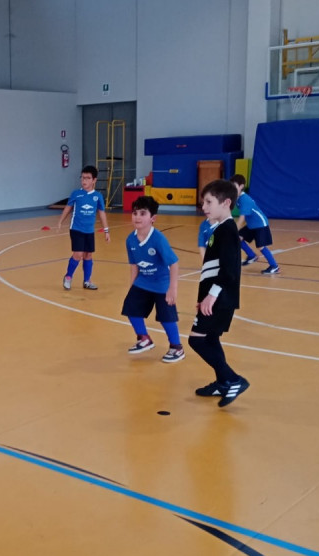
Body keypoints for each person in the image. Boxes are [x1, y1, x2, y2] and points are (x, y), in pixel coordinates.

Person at [189, 179, 249, 408]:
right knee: (211, 338)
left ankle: (233, 379)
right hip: (215, 297)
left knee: (196, 340)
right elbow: (210, 270)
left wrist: (212, 295)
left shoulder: (227, 230)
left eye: (208, 202)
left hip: (221, 299)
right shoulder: (218, 229)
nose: (203, 206)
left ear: (226, 203)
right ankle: (222, 382)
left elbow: (229, 270)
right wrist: (202, 297)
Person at [121, 195, 184, 362]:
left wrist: (172, 289)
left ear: (153, 218)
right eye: (135, 213)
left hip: (162, 283)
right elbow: (134, 265)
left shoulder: (158, 239)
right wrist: (132, 286)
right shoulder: (130, 240)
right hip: (143, 281)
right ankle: (144, 338)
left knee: (166, 317)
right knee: (131, 307)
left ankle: (176, 347)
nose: (137, 217)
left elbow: (174, 264)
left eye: (143, 213)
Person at [57, 165, 110, 289]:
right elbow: (68, 208)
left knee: (88, 255)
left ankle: (87, 281)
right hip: (76, 229)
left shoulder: (98, 196)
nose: (84, 180)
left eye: (87, 178)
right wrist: (60, 221)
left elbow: (102, 213)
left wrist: (106, 230)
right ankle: (68, 277)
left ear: (94, 180)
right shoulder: (76, 194)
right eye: (82, 178)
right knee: (78, 254)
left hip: (89, 231)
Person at [230, 173, 280, 275]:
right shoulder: (237, 198)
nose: (232, 189)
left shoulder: (244, 200)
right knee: (238, 238)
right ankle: (251, 256)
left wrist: (233, 230)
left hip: (260, 224)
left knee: (261, 246)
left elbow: (242, 218)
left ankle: (274, 266)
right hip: (252, 225)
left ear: (241, 186)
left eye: (234, 186)